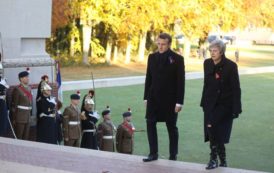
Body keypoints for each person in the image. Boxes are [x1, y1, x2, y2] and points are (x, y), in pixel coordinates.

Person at [143, 33, 185, 162]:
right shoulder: (152, 57)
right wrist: (145, 97)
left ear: (169, 44)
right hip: (153, 98)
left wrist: (179, 102)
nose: (160, 47)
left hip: (170, 100)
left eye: (163, 44)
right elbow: (148, 78)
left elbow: (180, 82)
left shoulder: (177, 59)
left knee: (171, 127)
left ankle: (173, 155)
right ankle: (153, 153)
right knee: (150, 123)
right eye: (159, 44)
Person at [200, 40, 242, 169]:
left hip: (225, 104)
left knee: (212, 126)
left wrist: (237, 108)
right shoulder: (207, 63)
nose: (212, 53)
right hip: (210, 103)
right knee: (213, 130)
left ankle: (213, 159)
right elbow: (206, 84)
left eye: (215, 51)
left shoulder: (231, 66)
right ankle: (223, 160)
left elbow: (236, 88)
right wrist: (203, 102)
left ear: (222, 51)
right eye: (211, 51)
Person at [11, 71, 33, 140]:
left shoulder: (29, 88)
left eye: (27, 77)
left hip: (27, 117)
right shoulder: (17, 89)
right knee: (19, 137)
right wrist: (14, 119)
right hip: (20, 117)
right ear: (21, 79)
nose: (28, 78)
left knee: (26, 137)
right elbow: (14, 105)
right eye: (26, 77)